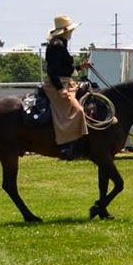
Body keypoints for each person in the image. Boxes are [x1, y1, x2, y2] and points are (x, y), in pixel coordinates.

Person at [43, 14, 88, 160]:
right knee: (77, 110)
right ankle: (66, 146)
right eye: (71, 30)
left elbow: (64, 68)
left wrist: (80, 67)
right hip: (58, 84)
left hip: (66, 81)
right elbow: (52, 71)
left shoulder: (60, 44)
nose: (72, 32)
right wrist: (60, 88)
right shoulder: (57, 45)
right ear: (65, 31)